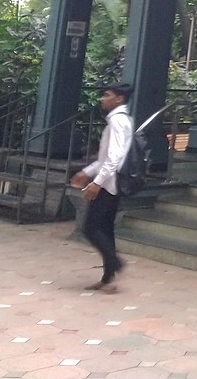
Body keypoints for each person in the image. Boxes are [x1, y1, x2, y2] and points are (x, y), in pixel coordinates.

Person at [71, 81, 134, 291]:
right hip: (109, 182)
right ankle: (108, 275)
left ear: (119, 98)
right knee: (105, 228)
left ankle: (114, 262)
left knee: (91, 227)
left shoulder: (117, 122)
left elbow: (114, 158)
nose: (102, 99)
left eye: (106, 95)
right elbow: (105, 158)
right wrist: (86, 173)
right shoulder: (119, 121)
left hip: (109, 184)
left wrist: (96, 183)